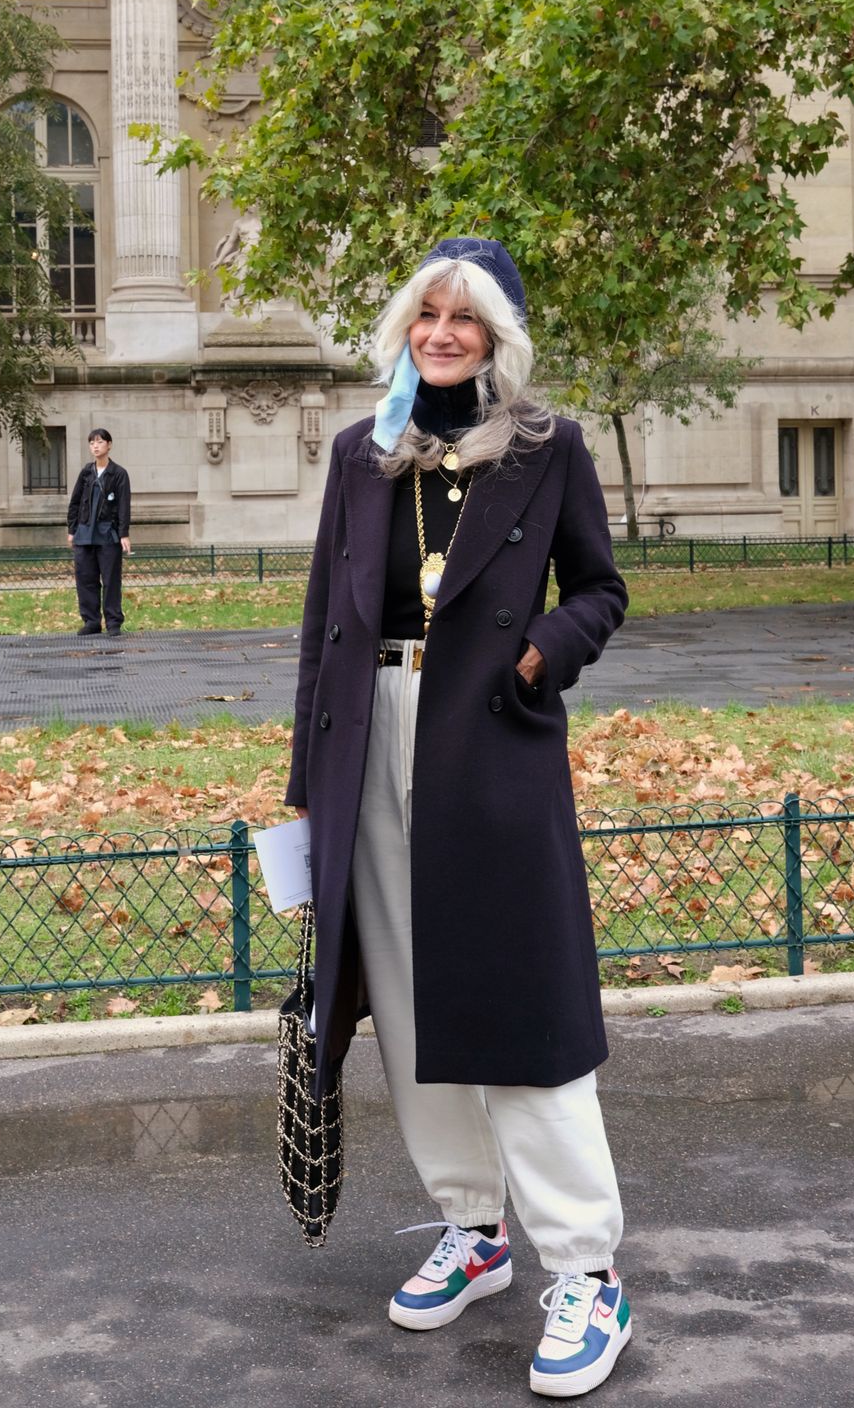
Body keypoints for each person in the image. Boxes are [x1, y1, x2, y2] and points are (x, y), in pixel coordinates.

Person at [286, 238, 631, 1398]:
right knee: (409, 998)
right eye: (426, 314)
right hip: (368, 734)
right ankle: (473, 1229)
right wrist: (307, 786)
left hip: (488, 738)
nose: (441, 333)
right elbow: (322, 621)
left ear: (497, 338)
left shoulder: (545, 449)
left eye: (464, 319)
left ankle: (587, 1270)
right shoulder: (362, 452)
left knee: (519, 1002)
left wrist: (542, 656)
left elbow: (600, 589)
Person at [66, 428, 131, 637]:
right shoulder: (86, 473)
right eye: (92, 442)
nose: (95, 446)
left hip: (107, 534)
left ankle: (113, 622)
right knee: (85, 579)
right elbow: (75, 502)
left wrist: (123, 533)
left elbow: (123, 505)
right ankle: (91, 621)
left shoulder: (119, 474)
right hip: (84, 534)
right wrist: (72, 529)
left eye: (100, 442)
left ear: (109, 445)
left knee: (111, 580)